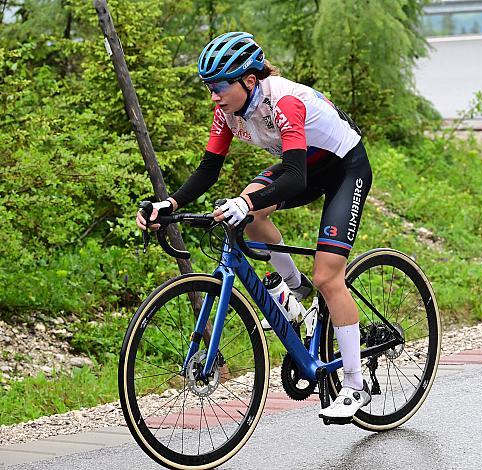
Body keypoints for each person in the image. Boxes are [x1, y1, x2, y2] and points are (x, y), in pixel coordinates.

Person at [136, 31, 373, 421]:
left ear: (249, 80)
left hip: (344, 168)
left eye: (219, 86)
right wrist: (170, 203)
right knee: (247, 216)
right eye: (208, 87)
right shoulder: (227, 112)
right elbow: (209, 169)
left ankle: (354, 384)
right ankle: (298, 296)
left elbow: (294, 178)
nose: (213, 95)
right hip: (303, 165)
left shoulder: (285, 101)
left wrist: (246, 200)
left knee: (329, 277)